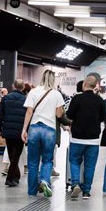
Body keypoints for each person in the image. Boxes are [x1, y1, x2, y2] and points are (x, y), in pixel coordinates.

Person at [21, 70, 65, 198]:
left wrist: (24, 129)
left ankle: (32, 191)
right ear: (53, 80)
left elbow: (29, 112)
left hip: (34, 128)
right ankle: (45, 180)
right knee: (47, 159)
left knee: (33, 162)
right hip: (49, 129)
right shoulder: (57, 94)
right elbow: (58, 114)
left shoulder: (33, 92)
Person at [65, 76, 105, 200]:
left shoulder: (77, 98)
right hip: (93, 138)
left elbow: (69, 115)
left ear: (85, 84)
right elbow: (103, 118)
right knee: (90, 165)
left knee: (75, 161)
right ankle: (86, 191)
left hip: (77, 137)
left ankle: (75, 183)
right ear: (95, 86)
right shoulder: (99, 100)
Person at [0, 79, 27, 187]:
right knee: (15, 155)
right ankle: (9, 178)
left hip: (8, 130)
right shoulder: (25, 99)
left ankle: (16, 176)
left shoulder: (5, 98)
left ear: (13, 86)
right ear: (23, 88)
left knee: (11, 154)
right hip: (20, 131)